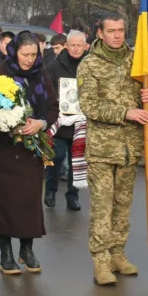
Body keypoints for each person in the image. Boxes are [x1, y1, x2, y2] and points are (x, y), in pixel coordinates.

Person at [77, 12, 148, 286]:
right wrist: (126, 113)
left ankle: (118, 254)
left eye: (121, 30)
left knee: (123, 205)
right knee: (102, 206)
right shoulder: (90, 65)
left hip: (129, 148)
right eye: (111, 30)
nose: (117, 35)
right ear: (99, 33)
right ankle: (100, 260)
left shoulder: (137, 60)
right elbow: (89, 105)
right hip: (102, 149)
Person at [0, 31, 58, 275]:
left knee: (27, 202)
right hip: (1, 152)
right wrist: (8, 124)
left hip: (30, 151)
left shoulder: (41, 74)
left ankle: (27, 249)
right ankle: (6, 253)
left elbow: (53, 107)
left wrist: (41, 124)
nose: (29, 60)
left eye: (34, 54)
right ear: (14, 51)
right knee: (3, 202)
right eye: (25, 54)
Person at [44, 29, 88, 211]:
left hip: (81, 123)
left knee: (76, 162)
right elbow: (45, 89)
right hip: (59, 122)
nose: (76, 49)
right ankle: (50, 190)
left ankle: (73, 196)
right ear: (66, 46)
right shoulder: (54, 66)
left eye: (80, 45)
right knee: (57, 156)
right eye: (73, 45)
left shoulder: (90, 65)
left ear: (86, 47)